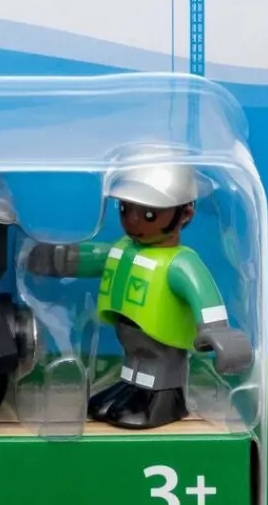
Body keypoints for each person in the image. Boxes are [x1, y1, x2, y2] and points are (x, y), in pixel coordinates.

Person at [26, 164, 252, 429]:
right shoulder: (123, 249)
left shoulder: (181, 263)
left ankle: (165, 400)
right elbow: (95, 257)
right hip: (129, 332)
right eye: (125, 209)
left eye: (149, 214)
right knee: (134, 366)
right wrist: (60, 258)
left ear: (185, 214)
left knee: (158, 370)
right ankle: (130, 390)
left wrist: (217, 330)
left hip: (162, 339)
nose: (133, 220)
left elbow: (203, 293)